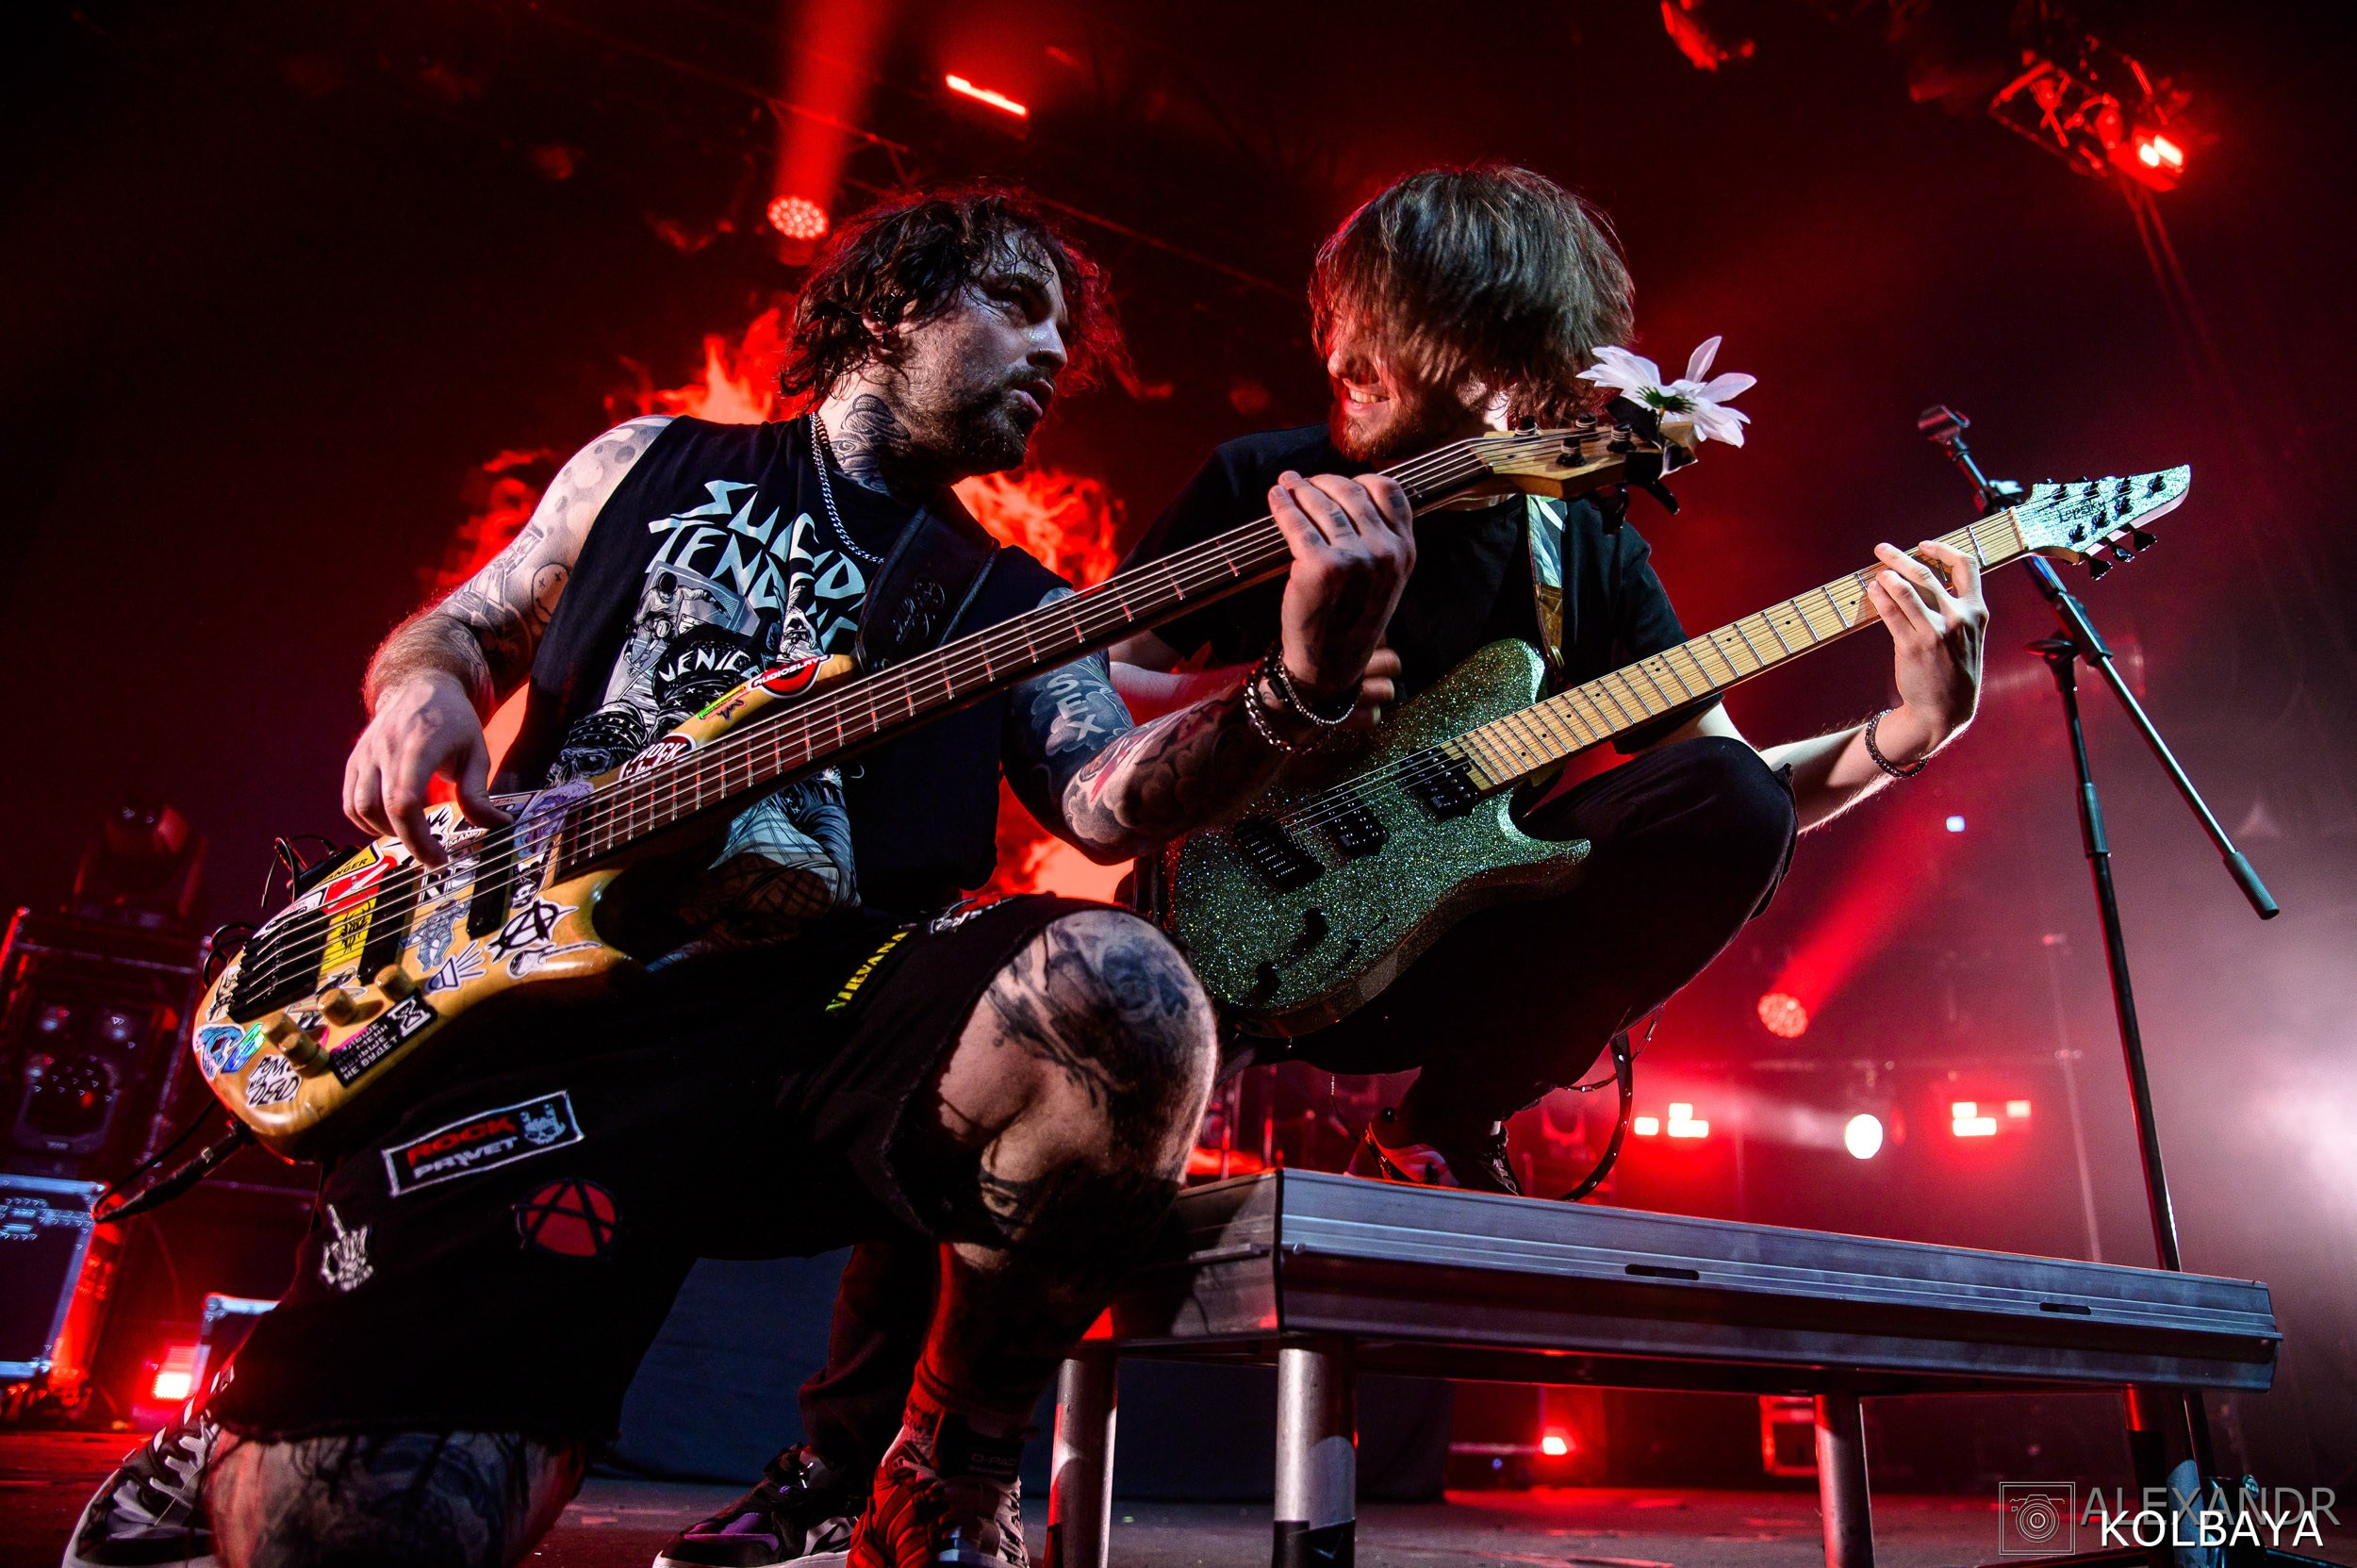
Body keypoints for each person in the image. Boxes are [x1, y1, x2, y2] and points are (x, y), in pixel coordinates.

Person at [648, 163, 1989, 1568]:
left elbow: (1738, 803)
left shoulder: (1572, 538)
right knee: (999, 1056)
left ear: (1488, 351)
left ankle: (1442, 1124)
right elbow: (1091, 701)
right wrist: (1283, 700)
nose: (1334, 352)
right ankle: (838, 1471)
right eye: (1333, 318)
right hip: (1205, 928)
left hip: (1440, 953)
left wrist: (1903, 735)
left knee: (1716, 790)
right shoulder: (1267, 486)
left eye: (1377, 323)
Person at [62, 184, 1417, 1568]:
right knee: (361, 1538)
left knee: (1125, 989)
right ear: (890, 309)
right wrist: (420, 692)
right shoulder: (641, 466)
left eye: (1064, 330)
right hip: (545, 1009)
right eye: (1014, 308)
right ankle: (233, 1424)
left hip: (820, 1028)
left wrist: (1288, 697)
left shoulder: (1013, 603)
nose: (1052, 353)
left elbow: (1104, 796)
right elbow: (464, 630)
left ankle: (944, 1470)